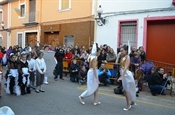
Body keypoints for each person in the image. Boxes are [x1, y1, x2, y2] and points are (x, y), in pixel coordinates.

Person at [117, 45, 136, 111]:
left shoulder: (127, 57)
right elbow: (119, 65)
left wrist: (122, 76)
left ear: (126, 51)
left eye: (122, 51)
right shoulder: (122, 57)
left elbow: (125, 68)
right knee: (126, 90)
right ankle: (131, 101)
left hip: (126, 75)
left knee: (126, 90)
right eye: (120, 50)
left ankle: (128, 104)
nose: (121, 52)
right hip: (123, 74)